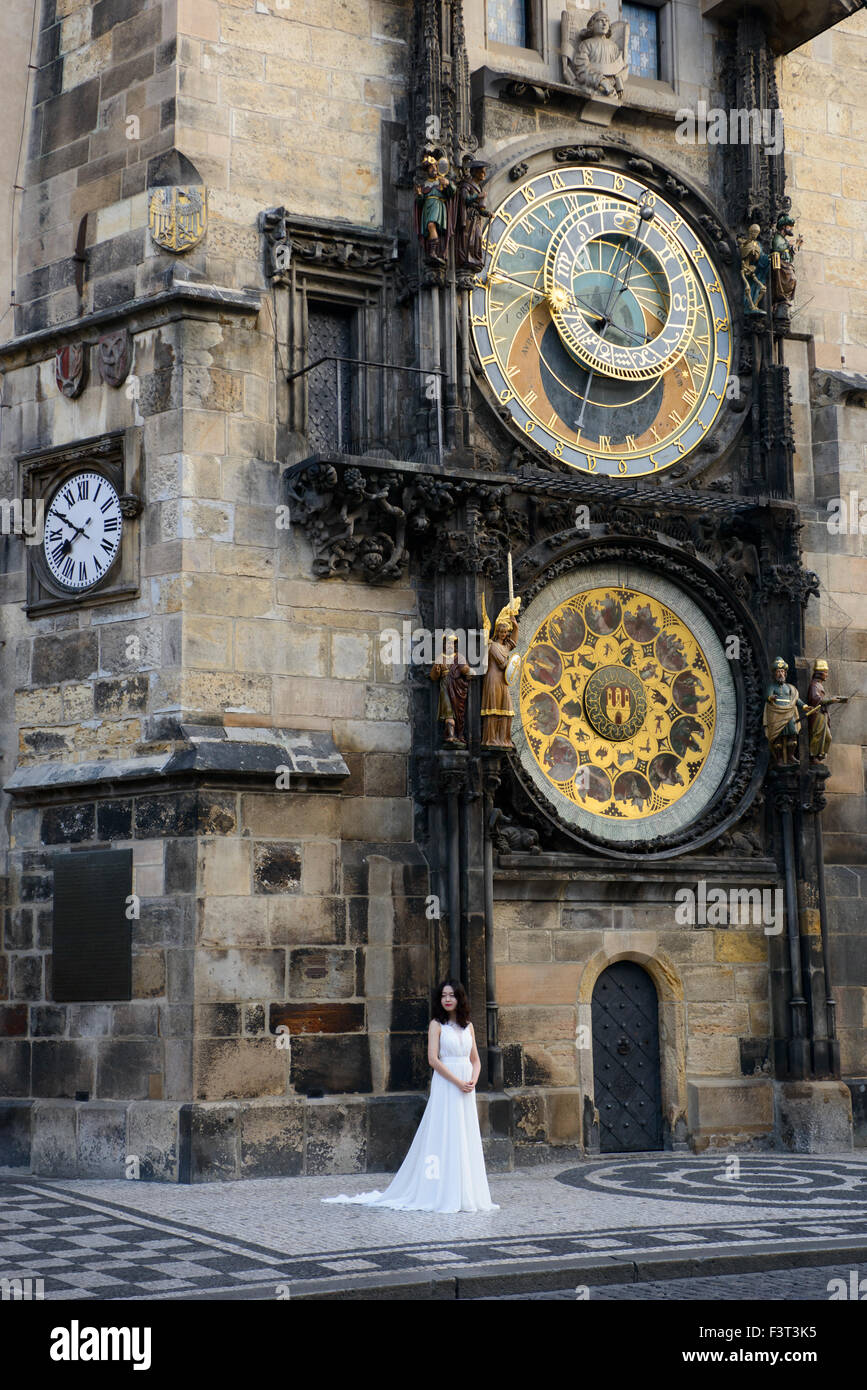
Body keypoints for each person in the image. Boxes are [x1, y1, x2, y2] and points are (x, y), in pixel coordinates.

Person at [322, 980, 499, 1213]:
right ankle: (441, 1189)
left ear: (460, 999)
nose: (447, 999)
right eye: (444, 995)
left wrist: (473, 1080)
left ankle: (466, 1189)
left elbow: (474, 1059)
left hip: (466, 1085)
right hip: (447, 1084)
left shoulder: (469, 1026)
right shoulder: (436, 1025)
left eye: (452, 995)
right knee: (444, 1131)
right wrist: (457, 1082)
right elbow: (433, 1059)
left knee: (463, 1133)